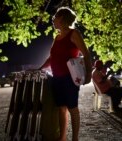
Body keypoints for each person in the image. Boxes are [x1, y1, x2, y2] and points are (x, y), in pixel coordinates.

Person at [39, 7, 92, 141]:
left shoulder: (74, 34)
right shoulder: (57, 37)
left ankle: (75, 139)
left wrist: (89, 74)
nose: (53, 20)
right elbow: (52, 58)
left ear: (61, 18)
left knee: (72, 108)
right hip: (57, 78)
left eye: (54, 17)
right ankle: (62, 138)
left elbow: (86, 54)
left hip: (70, 78)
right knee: (61, 108)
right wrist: (40, 68)